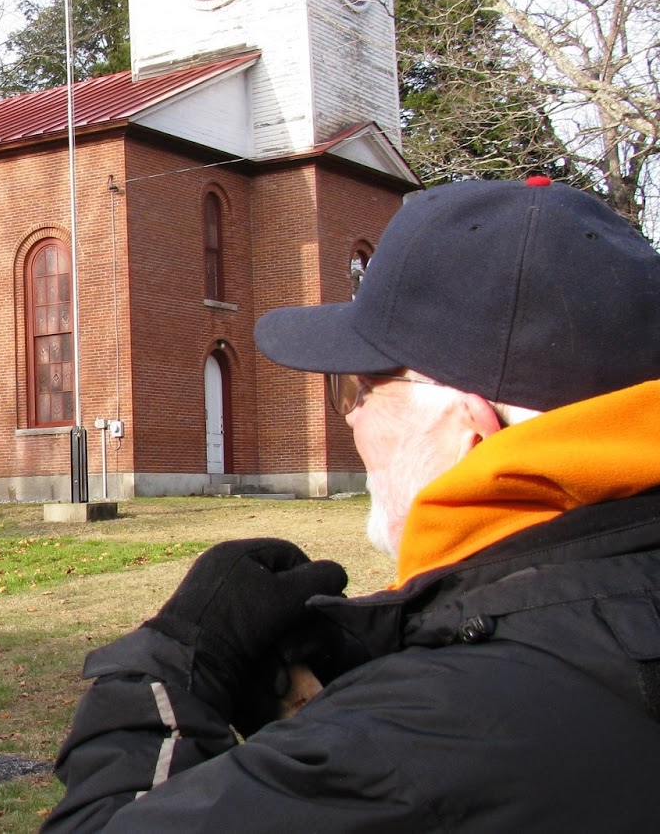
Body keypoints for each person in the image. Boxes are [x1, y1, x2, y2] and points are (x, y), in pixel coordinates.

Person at [42, 177, 660, 831]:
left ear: (470, 430)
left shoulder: (419, 740)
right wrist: (375, 644)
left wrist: (173, 662)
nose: (350, 419)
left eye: (360, 390)